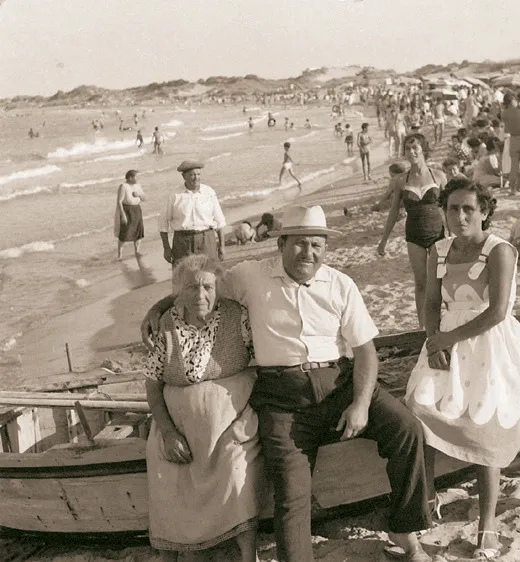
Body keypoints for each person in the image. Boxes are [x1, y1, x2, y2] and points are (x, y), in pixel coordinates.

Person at [142, 205, 433, 562]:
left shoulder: (341, 284)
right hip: (283, 403)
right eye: (298, 244)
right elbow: (200, 283)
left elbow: (366, 352)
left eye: (316, 245)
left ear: (325, 247)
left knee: (408, 430)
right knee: (292, 497)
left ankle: (403, 526)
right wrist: (156, 308)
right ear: (281, 245)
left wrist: (359, 404)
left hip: (340, 384)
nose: (307, 253)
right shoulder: (250, 276)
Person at [405, 178, 520, 558]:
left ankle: (488, 522)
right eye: (452, 208)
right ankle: (426, 499)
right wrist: (434, 340)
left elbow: (497, 311)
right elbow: (431, 302)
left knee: (485, 428)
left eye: (468, 209)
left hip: (491, 344)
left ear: (484, 212)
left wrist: (449, 339)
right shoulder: (439, 250)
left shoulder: (499, 251)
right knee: (416, 413)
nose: (459, 216)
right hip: (445, 340)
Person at [144, 254, 262, 562]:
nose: (201, 295)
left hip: (232, 424)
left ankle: (248, 555)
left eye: (208, 287)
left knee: (238, 474)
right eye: (192, 287)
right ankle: (184, 551)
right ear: (178, 291)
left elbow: (263, 364)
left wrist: (243, 419)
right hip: (177, 429)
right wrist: (168, 432)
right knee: (168, 478)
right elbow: (153, 385)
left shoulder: (238, 317)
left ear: (218, 287)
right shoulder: (166, 325)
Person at [378, 133, 447, 328]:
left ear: (424, 149)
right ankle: (422, 326)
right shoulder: (401, 180)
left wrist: (455, 236)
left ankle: (441, 322)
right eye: (408, 148)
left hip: (438, 235)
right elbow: (393, 212)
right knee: (420, 283)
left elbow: (449, 208)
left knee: (438, 282)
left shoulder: (439, 176)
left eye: (415, 147)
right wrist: (384, 240)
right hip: (414, 236)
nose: (412, 152)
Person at [158, 160, 226, 267]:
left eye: (198, 174)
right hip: (183, 242)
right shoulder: (174, 196)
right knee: (183, 278)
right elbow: (163, 223)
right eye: (192, 175)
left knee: (209, 276)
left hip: (207, 239)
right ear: (183, 176)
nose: (196, 178)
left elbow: (219, 220)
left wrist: (222, 246)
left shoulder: (209, 192)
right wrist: (166, 248)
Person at [115, 169, 145, 259]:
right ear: (130, 178)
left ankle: (137, 251)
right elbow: (119, 201)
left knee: (138, 232)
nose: (138, 179)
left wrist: (139, 194)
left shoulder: (138, 186)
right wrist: (123, 214)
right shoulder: (123, 186)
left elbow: (145, 198)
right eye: (136, 177)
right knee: (124, 233)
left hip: (137, 209)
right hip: (127, 210)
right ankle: (119, 255)